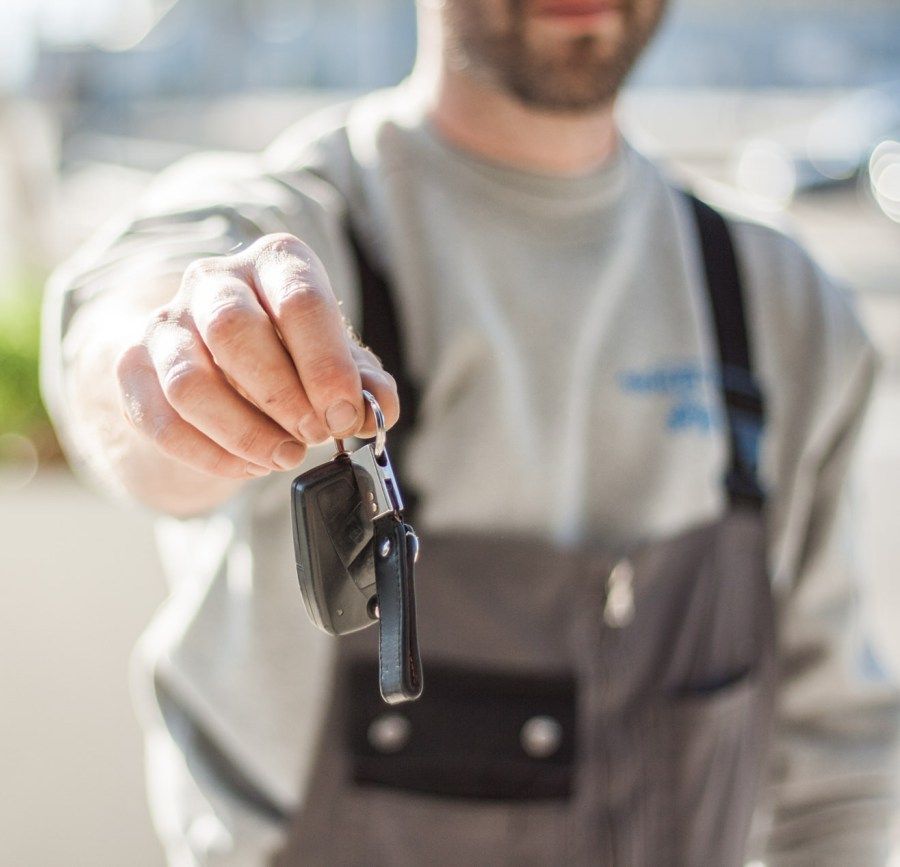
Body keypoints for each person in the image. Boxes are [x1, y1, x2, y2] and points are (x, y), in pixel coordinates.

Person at [41, 0, 900, 864]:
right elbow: (127, 342)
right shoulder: (303, 222)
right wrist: (188, 366)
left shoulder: (782, 306)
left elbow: (835, 770)